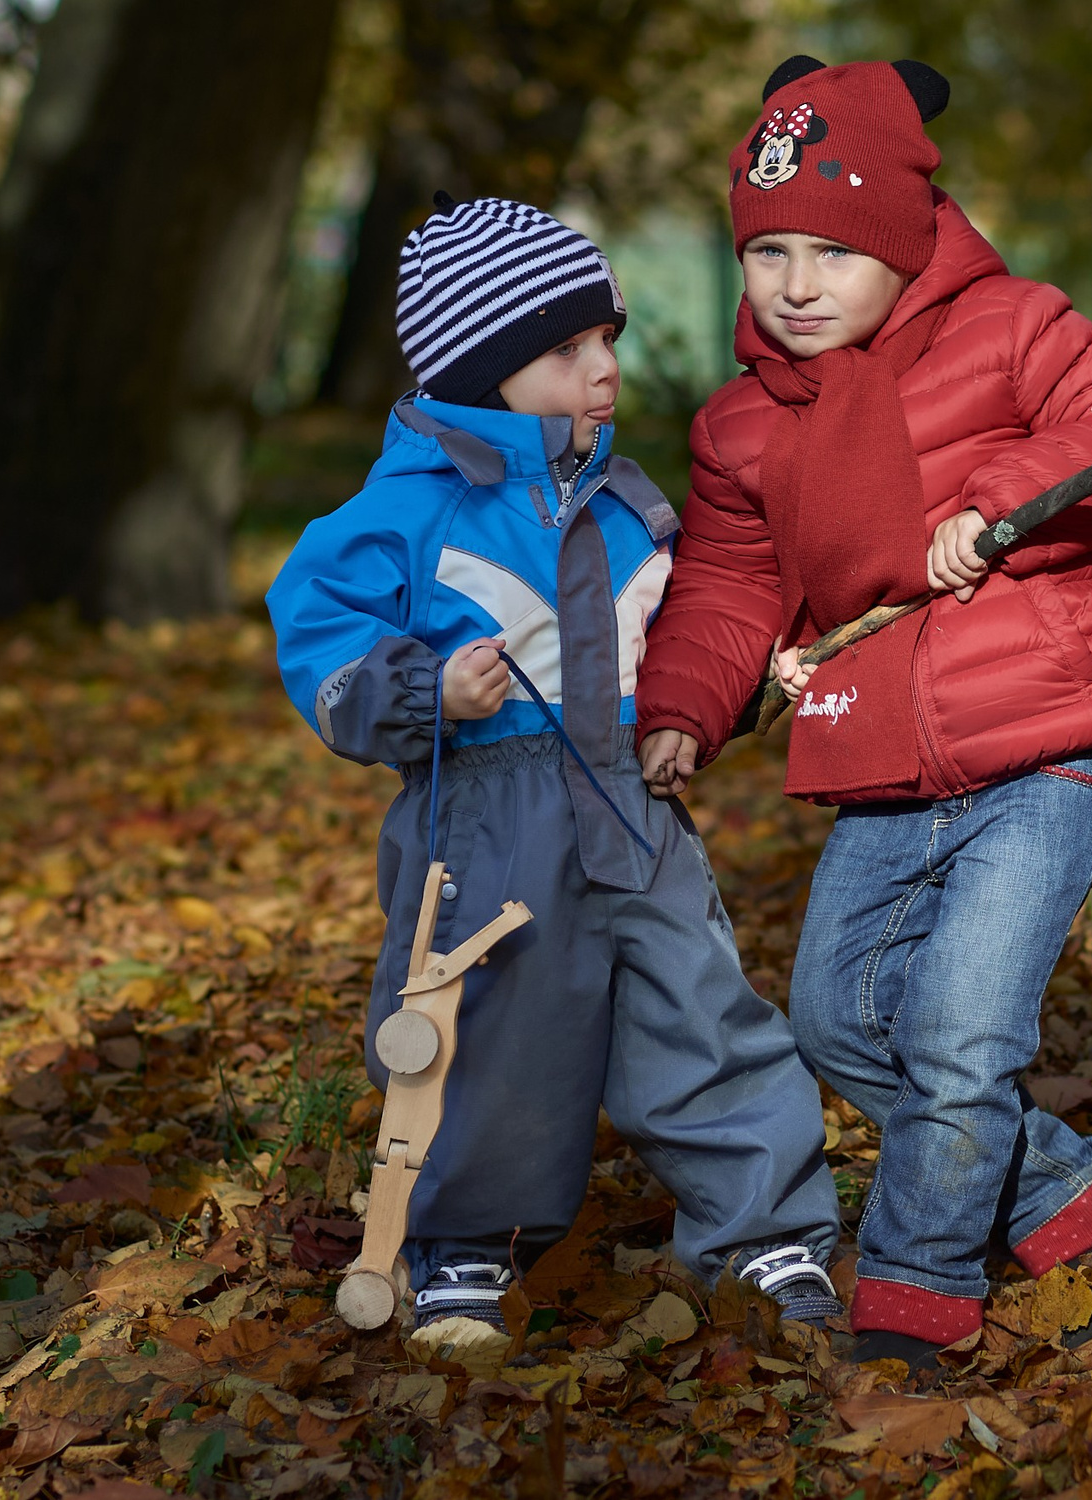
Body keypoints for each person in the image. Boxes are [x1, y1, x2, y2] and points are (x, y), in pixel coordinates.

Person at [635, 58, 1092, 1372]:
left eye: (834, 251)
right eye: (769, 253)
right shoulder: (744, 425)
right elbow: (727, 584)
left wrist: (1003, 506)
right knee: (836, 1019)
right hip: (875, 753)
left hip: (1043, 746)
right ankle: (1076, 1195)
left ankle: (914, 1294)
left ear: (905, 238)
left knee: (957, 1036)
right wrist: (687, 705)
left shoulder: (1011, 326)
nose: (797, 283)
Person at [268, 196, 840, 1371]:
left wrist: (729, 692)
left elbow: (693, 627)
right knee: (485, 1026)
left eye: (608, 340)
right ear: (483, 370)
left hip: (635, 806)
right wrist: (425, 689)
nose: (603, 369)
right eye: (567, 348)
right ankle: (464, 1240)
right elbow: (320, 638)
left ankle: (763, 1229)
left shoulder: (630, 504)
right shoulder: (408, 512)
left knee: (697, 1003)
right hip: (487, 820)